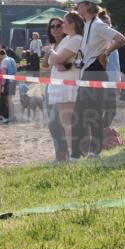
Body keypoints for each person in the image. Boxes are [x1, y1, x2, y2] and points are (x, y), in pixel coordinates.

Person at [72, 0, 125, 158]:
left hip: (94, 71)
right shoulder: (88, 24)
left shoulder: (97, 25)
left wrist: (106, 53)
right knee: (80, 114)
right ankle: (78, 153)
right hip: (87, 71)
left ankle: (94, 151)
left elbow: (121, 38)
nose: (77, 6)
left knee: (92, 113)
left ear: (88, 5)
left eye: (80, 3)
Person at [47, 12, 83, 160]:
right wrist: (56, 58)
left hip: (67, 84)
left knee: (68, 122)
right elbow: (51, 61)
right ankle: (71, 154)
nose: (61, 26)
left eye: (64, 23)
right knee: (64, 122)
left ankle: (73, 155)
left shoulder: (76, 39)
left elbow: (56, 58)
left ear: (72, 24)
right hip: (60, 83)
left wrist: (50, 51)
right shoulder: (68, 39)